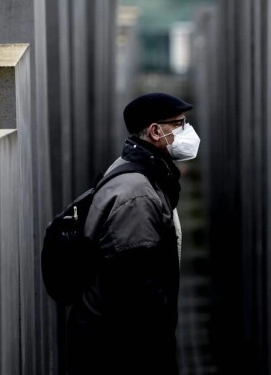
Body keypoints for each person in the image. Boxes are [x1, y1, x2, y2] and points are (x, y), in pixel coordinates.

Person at [67, 92, 201, 375]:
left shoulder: (138, 173)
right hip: (122, 351)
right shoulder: (136, 195)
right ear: (155, 131)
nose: (187, 131)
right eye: (179, 124)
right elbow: (138, 292)